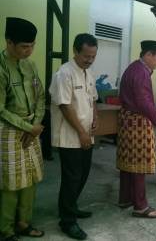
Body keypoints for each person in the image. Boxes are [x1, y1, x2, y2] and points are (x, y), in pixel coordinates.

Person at [117, 40, 156, 218]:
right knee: (139, 164)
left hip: (127, 121)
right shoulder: (142, 72)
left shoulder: (134, 68)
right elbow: (143, 103)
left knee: (128, 162)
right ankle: (140, 206)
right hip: (137, 123)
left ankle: (125, 198)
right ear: (148, 55)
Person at [49, 33, 98, 240]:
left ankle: (71, 206)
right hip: (70, 137)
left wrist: (96, 118)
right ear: (75, 51)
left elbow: (93, 99)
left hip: (86, 135)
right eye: (86, 56)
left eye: (93, 56)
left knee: (83, 174)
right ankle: (67, 221)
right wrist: (81, 133)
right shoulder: (64, 74)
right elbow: (65, 106)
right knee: (72, 178)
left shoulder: (89, 73)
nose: (89, 60)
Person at [0, 17, 45, 241]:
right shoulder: (0, 68)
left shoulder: (31, 65)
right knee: (11, 183)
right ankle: (5, 230)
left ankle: (23, 223)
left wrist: (35, 125)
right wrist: (29, 127)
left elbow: (40, 96)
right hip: (8, 131)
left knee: (31, 179)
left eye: (32, 46)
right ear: (9, 42)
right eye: (24, 47)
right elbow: (0, 110)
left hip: (32, 128)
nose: (29, 51)